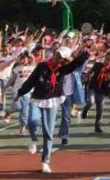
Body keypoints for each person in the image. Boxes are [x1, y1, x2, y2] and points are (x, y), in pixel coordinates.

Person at [15, 45, 90, 173]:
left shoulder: (63, 69)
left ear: (63, 59)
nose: (57, 57)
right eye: (57, 54)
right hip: (37, 99)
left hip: (53, 101)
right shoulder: (42, 66)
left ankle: (45, 161)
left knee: (48, 133)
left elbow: (75, 64)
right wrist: (20, 93)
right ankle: (33, 139)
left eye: (60, 57)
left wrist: (85, 54)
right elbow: (31, 81)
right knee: (32, 121)